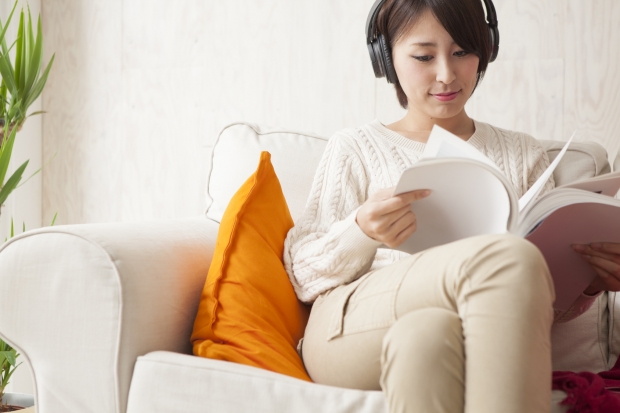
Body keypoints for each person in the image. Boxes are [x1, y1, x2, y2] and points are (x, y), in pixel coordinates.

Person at [283, 0, 620, 412]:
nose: (447, 74)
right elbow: (302, 274)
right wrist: (361, 230)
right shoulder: (355, 147)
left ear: (486, 49)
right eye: (424, 56)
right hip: (349, 330)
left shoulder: (523, 154)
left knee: (425, 338)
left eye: (462, 52)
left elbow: (530, 310)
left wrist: (587, 280)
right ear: (386, 58)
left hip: (445, 330)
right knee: (507, 255)